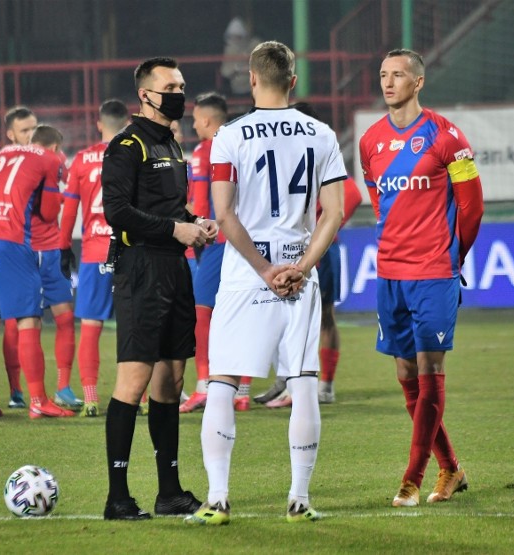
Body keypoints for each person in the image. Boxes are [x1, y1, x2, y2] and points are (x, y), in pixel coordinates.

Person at [185, 41, 345, 525]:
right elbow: (334, 213)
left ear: (251, 79)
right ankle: (299, 499)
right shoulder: (321, 133)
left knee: (222, 382)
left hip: (243, 276)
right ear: (293, 81)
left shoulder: (228, 136)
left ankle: (218, 499)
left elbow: (224, 214)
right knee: (302, 381)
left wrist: (262, 269)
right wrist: (300, 267)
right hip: (299, 273)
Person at [359, 49, 483, 507]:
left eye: (398, 75)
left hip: (434, 272)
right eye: (383, 75)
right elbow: (378, 201)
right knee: (406, 373)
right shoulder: (370, 140)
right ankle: (451, 469)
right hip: (390, 272)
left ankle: (412, 478)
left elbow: (472, 206)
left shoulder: (447, 137)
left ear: (419, 82)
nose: (388, 83)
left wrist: (453, 256)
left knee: (431, 369)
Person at [101, 56, 213, 521]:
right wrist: (174, 229)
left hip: (174, 268)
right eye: (171, 86)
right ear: (146, 95)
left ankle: (169, 492)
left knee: (171, 381)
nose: (179, 93)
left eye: (182, 85)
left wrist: (192, 223)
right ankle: (118, 497)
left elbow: (170, 207)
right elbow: (117, 211)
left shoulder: (171, 142)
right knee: (135, 380)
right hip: (141, 269)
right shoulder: (127, 145)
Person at [257, 102, 364, 409]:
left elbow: (353, 196)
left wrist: (322, 232)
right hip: (298, 250)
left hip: (317, 252)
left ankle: (316, 386)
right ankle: (292, 383)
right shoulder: (298, 155)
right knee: (293, 320)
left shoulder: (315, 155)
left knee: (316, 318)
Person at [0, 124, 75, 420]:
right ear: (54, 148)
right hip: (11, 242)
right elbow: (48, 212)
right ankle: (39, 401)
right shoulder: (50, 159)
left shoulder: (0, 153)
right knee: (29, 320)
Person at [179, 91, 252, 414]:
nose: (194, 124)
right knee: (242, 313)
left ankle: (204, 386)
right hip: (247, 241)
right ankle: (243, 389)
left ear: (207, 120)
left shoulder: (205, 150)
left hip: (217, 241)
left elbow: (200, 208)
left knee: (202, 311)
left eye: (195, 119)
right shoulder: (244, 144)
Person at [60, 98, 129, 417]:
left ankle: (90, 397)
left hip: (94, 252)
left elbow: (69, 210)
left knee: (90, 325)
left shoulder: (82, 159)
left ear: (99, 125)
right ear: (126, 124)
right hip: (131, 249)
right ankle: (139, 398)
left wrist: (64, 247)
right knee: (136, 326)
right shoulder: (135, 152)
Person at [0, 106, 35, 409]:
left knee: (13, 320)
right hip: (15, 245)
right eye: (24, 131)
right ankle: (19, 391)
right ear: (10, 134)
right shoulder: (23, 162)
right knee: (18, 320)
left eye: (34, 129)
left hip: (15, 243)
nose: (31, 136)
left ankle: (18, 392)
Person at [220, 17, 260, 96]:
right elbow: (225, 72)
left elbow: (263, 67)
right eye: (232, 37)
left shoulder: (255, 45)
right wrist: (237, 69)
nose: (234, 40)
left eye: (238, 37)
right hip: (237, 89)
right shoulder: (229, 50)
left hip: (255, 88)